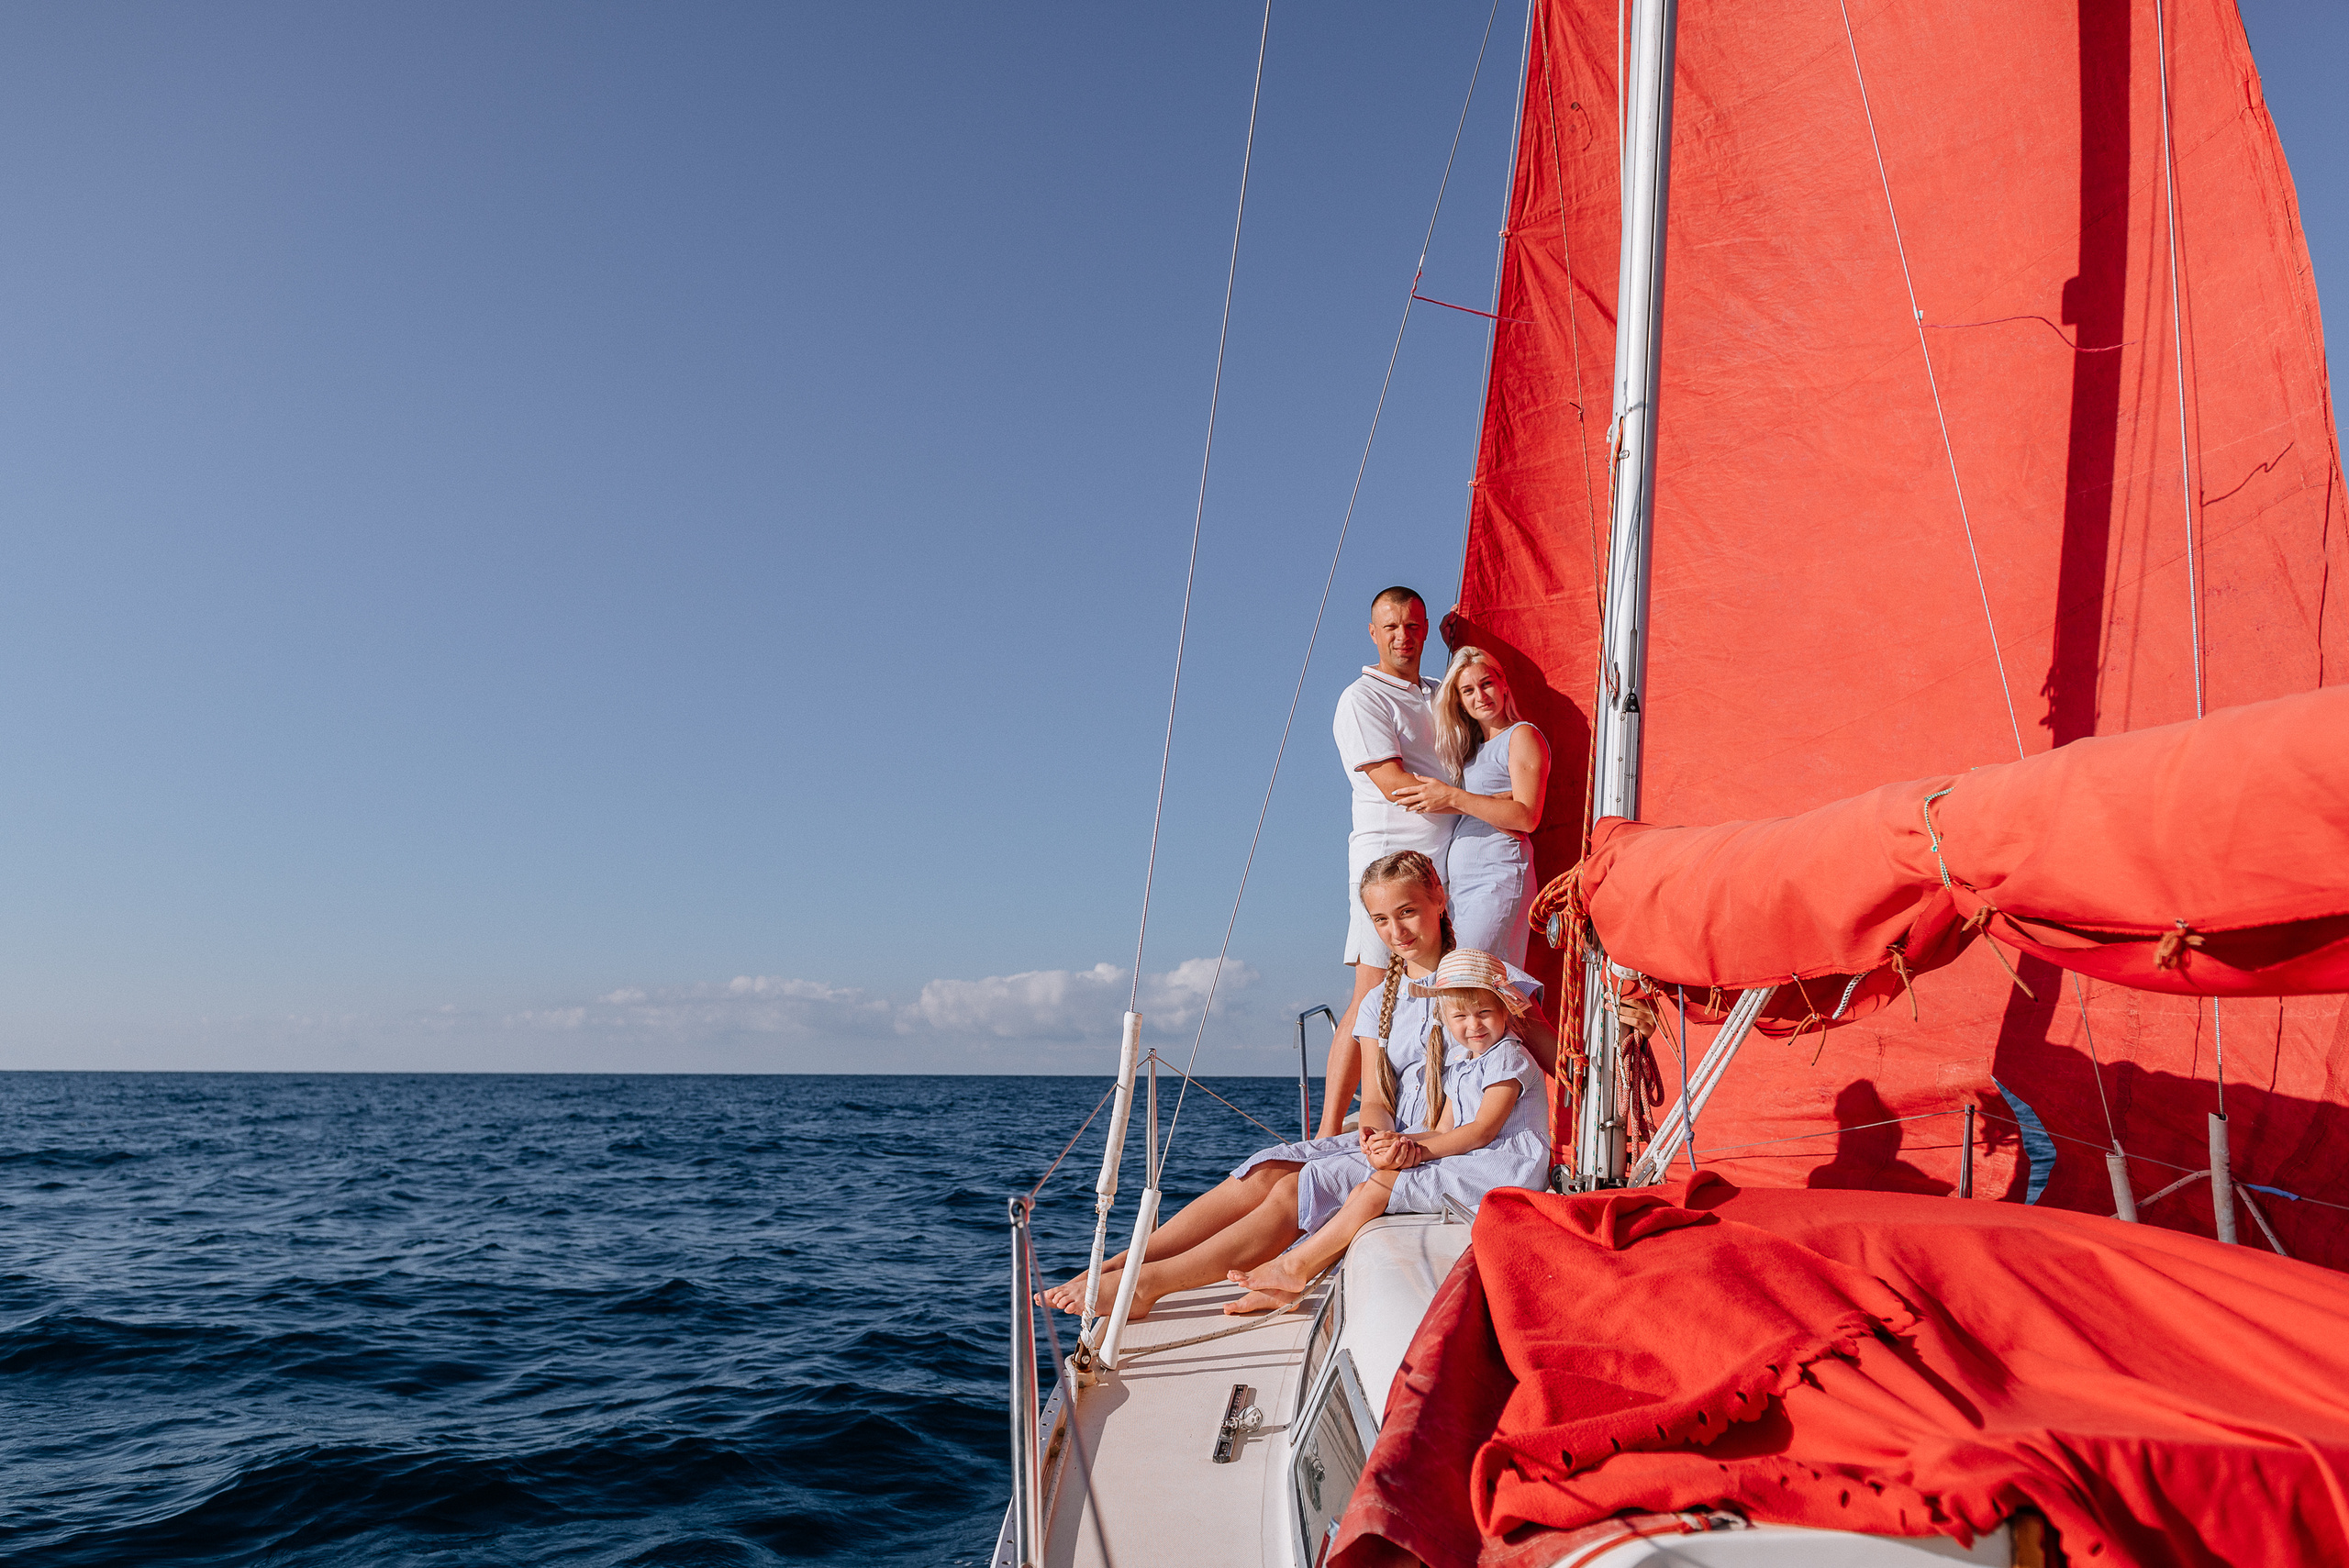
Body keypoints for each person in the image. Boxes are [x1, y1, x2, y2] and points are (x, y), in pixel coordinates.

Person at [1039, 853, 1550, 1320]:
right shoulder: (1380, 1003)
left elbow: (1558, 1061)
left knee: (1293, 1189)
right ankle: (1120, 1263)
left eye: (1408, 911)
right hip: (1399, 1135)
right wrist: (1374, 1138)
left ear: (1439, 898)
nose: (1397, 930)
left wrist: (1534, 1022)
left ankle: (1148, 1285)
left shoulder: (1490, 987)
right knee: (1266, 1168)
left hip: (1446, 1146)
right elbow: (1375, 1097)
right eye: (1381, 920)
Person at [1228, 950, 1551, 1308]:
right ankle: (1294, 1276)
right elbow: (1443, 1128)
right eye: (1460, 1016)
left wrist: (1419, 1154)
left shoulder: (1508, 1056)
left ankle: (1294, 1265)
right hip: (1476, 1161)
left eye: (1484, 1013)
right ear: (1445, 1017)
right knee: (1363, 1189)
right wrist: (1396, 1141)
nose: (1473, 1025)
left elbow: (1481, 1132)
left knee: (1382, 1184)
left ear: (1505, 1010)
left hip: (1507, 1168)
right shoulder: (1461, 1065)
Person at [1325, 587, 1458, 1135]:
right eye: (1392, 627)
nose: (1404, 636)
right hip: (1386, 860)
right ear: (1374, 633)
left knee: (1438, 985)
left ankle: (1430, 1114)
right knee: (1371, 990)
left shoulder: (1438, 693)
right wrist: (1469, 802)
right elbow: (1392, 783)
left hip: (1442, 864)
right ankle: (1329, 1129)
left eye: (1414, 625)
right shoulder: (1363, 698)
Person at [1393, 648, 1550, 966]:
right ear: (1460, 701)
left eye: (1487, 683)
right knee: (1474, 991)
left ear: (1504, 684)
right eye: (1468, 690)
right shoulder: (1472, 752)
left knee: (1470, 977)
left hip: (1498, 877)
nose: (1480, 696)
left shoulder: (1521, 735)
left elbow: (1526, 816)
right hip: (1462, 888)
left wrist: (1453, 798)